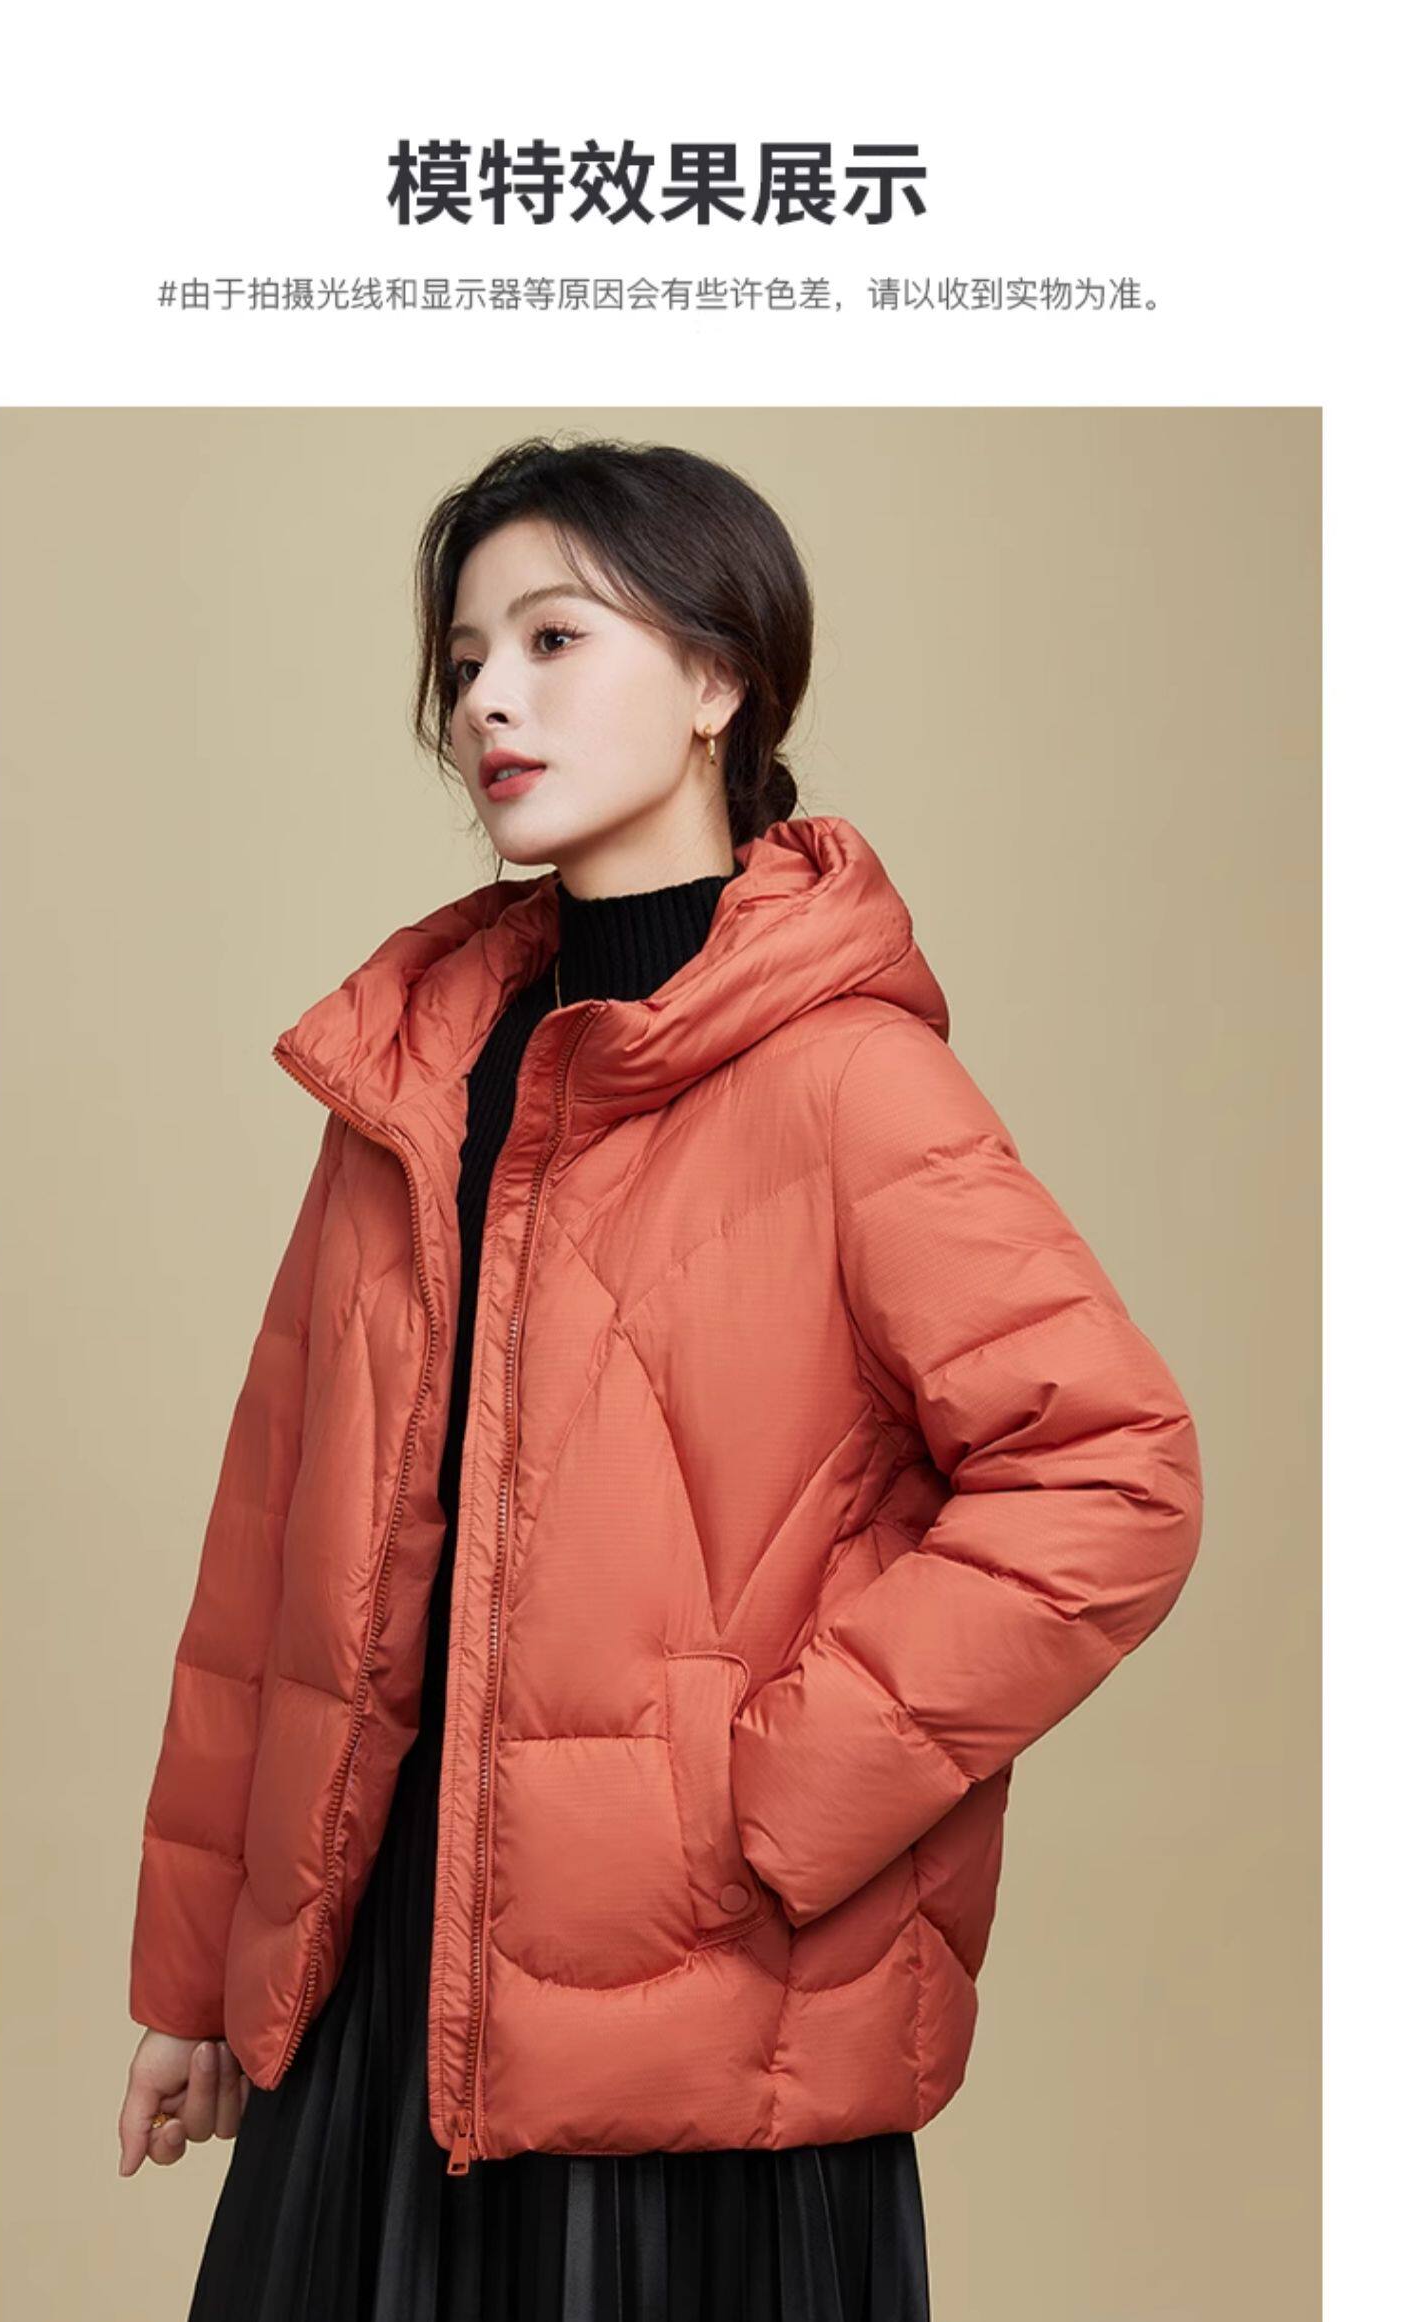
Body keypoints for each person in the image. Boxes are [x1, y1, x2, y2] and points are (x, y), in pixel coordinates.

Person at [116, 437, 1204, 2322]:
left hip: (702, 2043)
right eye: (467, 658)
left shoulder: (849, 1078)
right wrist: (200, 1973)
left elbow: (1112, 1475)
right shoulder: (408, 1078)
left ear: (717, 680)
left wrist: (776, 1793)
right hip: (382, 2004)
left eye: (555, 639)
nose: (491, 700)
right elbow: (270, 1556)